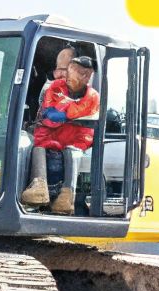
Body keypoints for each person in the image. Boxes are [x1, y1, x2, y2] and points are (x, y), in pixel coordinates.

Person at [21, 54, 100, 215]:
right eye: (68, 70)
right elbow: (49, 112)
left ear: (87, 76)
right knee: (38, 145)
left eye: (75, 72)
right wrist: (57, 114)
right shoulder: (55, 86)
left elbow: (70, 113)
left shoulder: (92, 96)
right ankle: (39, 185)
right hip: (53, 134)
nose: (68, 75)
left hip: (77, 137)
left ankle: (67, 194)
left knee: (73, 151)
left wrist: (61, 112)